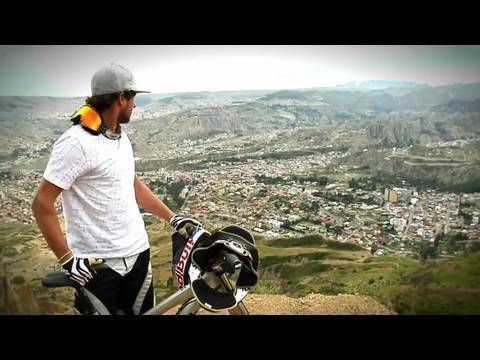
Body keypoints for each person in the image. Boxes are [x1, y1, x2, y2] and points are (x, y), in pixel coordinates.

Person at [32, 63, 202, 315]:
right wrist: (67, 259)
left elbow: (132, 184)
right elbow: (42, 203)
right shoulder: (75, 142)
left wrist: (172, 217)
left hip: (138, 255)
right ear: (121, 98)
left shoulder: (120, 137)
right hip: (97, 265)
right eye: (133, 98)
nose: (135, 105)